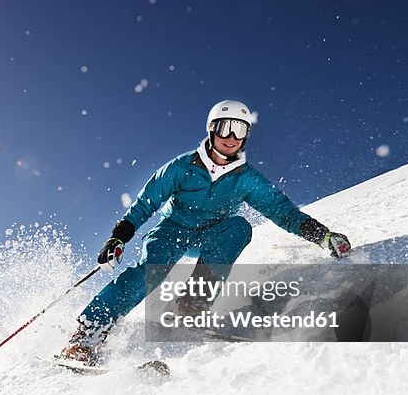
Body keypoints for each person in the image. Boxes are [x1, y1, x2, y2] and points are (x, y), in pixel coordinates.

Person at [60, 99, 351, 363]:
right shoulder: (181, 167)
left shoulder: (247, 179)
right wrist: (119, 237)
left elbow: (282, 211)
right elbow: (145, 203)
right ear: (211, 130)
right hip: (172, 230)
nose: (231, 138)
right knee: (152, 269)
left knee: (239, 227)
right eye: (225, 128)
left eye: (239, 130)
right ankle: (88, 334)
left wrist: (322, 236)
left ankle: (191, 305)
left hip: (212, 235)